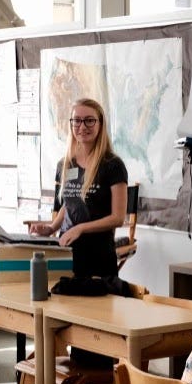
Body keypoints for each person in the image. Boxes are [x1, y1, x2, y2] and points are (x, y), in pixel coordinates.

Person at [29, 98, 128, 278]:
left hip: (99, 256)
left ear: (100, 124)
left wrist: (80, 228)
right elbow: (69, 204)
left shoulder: (113, 165)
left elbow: (118, 218)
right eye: (77, 120)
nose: (82, 126)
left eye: (89, 120)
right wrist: (51, 228)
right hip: (65, 254)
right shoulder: (64, 165)